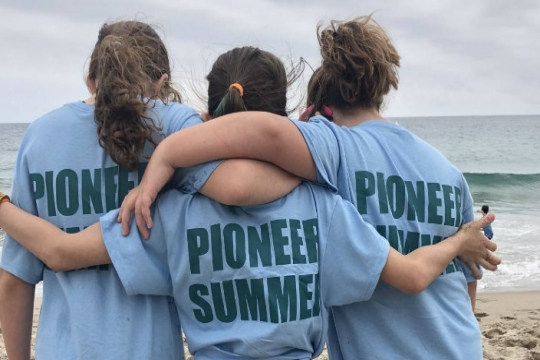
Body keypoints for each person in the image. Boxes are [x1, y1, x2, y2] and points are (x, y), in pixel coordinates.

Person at [0, 44, 499, 359]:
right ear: (284, 115)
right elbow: (411, 278)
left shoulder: (169, 212)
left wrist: (3, 205)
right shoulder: (323, 206)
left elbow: (61, 252)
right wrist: (457, 242)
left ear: (209, 112)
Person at [0, 23, 296, 360]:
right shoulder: (172, 124)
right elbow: (240, 184)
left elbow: (14, 281)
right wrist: (306, 172)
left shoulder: (39, 137)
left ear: (92, 79)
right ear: (162, 82)